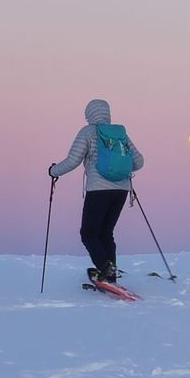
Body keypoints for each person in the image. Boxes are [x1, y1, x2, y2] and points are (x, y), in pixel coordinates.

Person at [49, 98, 144, 283]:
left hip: (98, 190)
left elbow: (73, 161)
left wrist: (53, 171)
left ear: (89, 115)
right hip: (121, 190)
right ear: (108, 114)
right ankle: (110, 273)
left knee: (89, 233)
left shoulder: (88, 132)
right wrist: (119, 169)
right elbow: (139, 162)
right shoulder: (120, 134)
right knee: (106, 233)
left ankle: (105, 268)